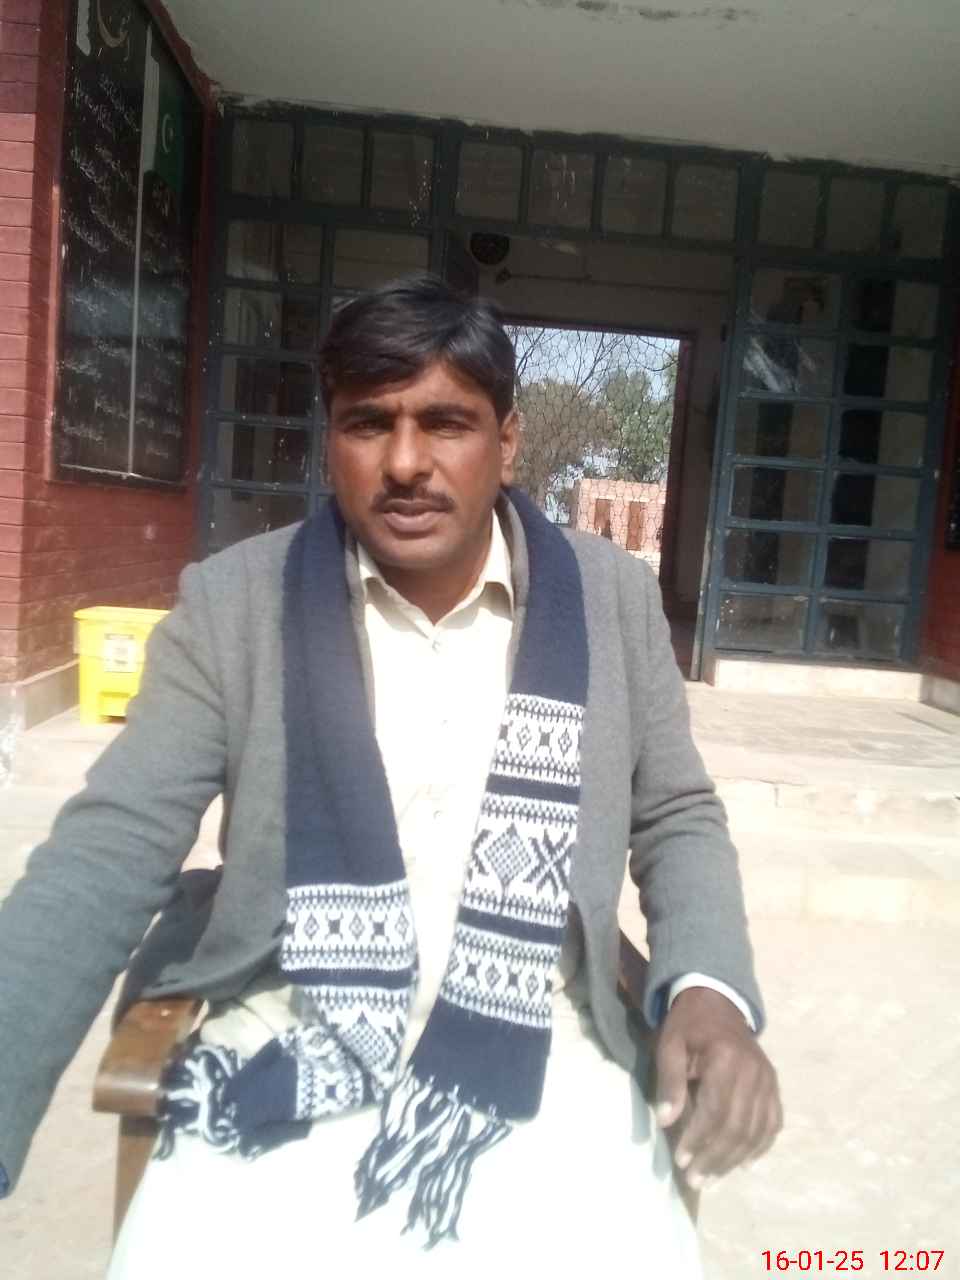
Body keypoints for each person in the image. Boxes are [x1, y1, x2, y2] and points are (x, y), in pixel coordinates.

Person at [0, 275, 780, 1276]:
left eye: (445, 422)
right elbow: (108, 849)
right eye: (369, 423)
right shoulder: (235, 604)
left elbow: (676, 814)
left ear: (507, 441)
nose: (406, 462)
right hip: (286, 1034)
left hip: (543, 1043)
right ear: (330, 439)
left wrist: (710, 990)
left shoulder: (610, 602)